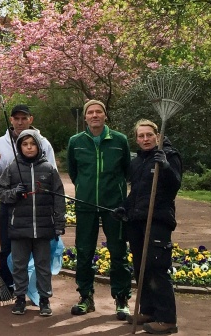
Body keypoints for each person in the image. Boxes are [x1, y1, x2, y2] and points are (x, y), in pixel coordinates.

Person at [67, 100, 131, 319]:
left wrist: (118, 197)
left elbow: (126, 171)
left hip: (114, 206)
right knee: (84, 252)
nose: (94, 115)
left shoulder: (120, 140)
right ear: (85, 117)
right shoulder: (75, 142)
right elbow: (74, 173)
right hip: (85, 206)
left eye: (98, 112)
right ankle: (85, 297)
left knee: (118, 252)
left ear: (105, 115)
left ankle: (121, 299)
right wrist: (85, 191)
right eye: (90, 112)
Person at [0, 104, 56, 300]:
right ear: (11, 120)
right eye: (16, 118)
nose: (19, 122)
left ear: (30, 119)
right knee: (7, 247)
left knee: (37, 251)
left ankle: (34, 290)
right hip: (11, 204)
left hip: (36, 205)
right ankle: (7, 286)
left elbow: (52, 173)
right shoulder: (1, 142)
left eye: (23, 118)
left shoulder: (43, 143)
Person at [0, 130, 65, 316]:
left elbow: (59, 198)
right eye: (24, 144)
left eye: (32, 144)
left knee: (43, 265)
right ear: (19, 147)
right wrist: (13, 193)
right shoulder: (12, 168)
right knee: (19, 265)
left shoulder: (49, 169)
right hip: (19, 226)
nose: (28, 147)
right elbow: (0, 192)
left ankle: (44, 299)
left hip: (44, 227)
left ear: (38, 146)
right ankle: (19, 297)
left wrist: (58, 223)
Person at [123, 119, 181, 335]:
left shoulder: (169, 155)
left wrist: (165, 167)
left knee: (156, 268)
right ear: (136, 139)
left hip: (158, 220)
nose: (145, 139)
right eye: (141, 136)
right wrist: (124, 208)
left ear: (157, 135)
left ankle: (167, 319)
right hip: (137, 220)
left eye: (149, 135)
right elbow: (136, 192)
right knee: (141, 268)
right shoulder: (138, 161)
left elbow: (175, 186)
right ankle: (148, 310)